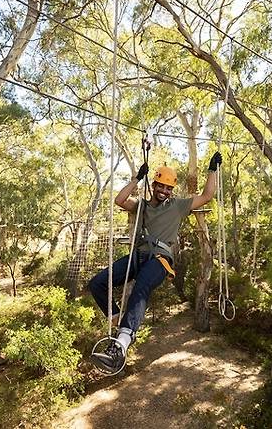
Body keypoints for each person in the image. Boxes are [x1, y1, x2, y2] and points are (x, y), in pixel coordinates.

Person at [89, 151, 223, 374]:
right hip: (138, 256)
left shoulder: (178, 206)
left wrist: (212, 170)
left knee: (141, 286)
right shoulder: (142, 205)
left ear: (172, 190)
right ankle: (116, 318)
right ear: (154, 184)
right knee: (98, 283)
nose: (164, 191)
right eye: (160, 186)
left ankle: (121, 343)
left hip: (160, 260)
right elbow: (120, 200)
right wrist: (136, 179)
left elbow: (207, 195)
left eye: (168, 188)